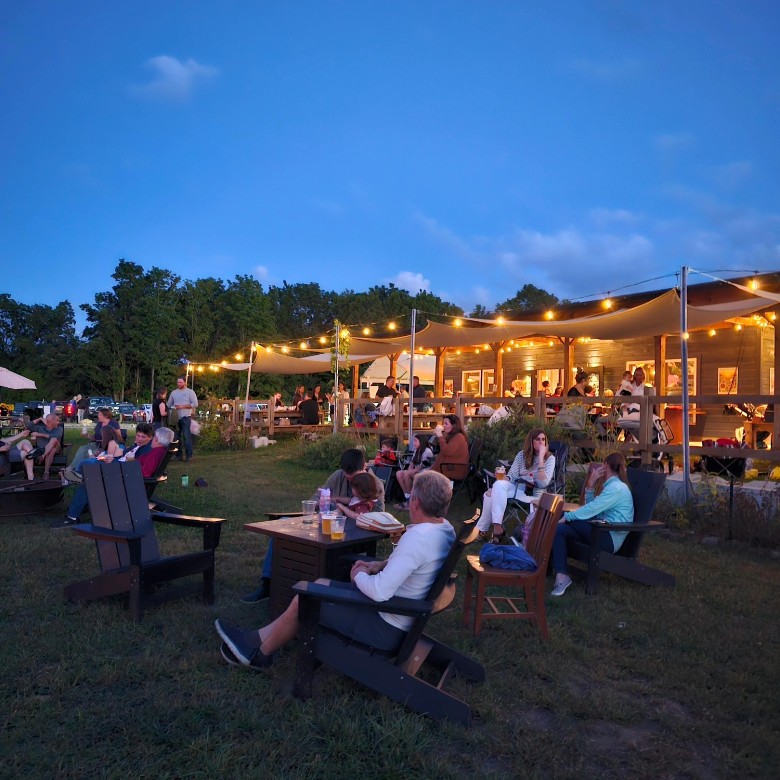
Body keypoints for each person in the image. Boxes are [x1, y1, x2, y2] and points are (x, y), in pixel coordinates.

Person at [217, 470, 456, 669]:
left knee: (306, 601)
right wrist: (378, 565)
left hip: (385, 627)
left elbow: (380, 592)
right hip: (402, 617)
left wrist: (359, 574)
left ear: (415, 501)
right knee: (318, 586)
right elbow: (415, 566)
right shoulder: (444, 530)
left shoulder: (418, 538)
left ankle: (260, 655)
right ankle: (256, 639)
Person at [241, 448, 386, 603]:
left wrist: (346, 513)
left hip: (352, 534)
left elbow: (378, 516)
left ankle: (311, 587)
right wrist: (319, 502)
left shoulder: (374, 485)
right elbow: (319, 495)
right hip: (327, 524)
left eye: (353, 479)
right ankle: (269, 583)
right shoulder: (338, 476)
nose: (350, 482)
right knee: (283, 527)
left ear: (364, 466)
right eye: (347, 478)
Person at [550, 452, 634, 597]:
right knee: (559, 529)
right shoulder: (613, 487)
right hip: (599, 531)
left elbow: (591, 509)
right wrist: (590, 485)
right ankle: (562, 576)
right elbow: (593, 509)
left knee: (564, 516)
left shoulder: (617, 488)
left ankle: (531, 539)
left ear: (605, 466)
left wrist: (568, 516)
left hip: (607, 539)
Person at [59, 425, 174, 527]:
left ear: (157, 439)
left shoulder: (155, 453)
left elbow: (145, 473)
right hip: (127, 476)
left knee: (89, 483)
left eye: (153, 438)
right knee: (90, 479)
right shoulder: (158, 451)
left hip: (127, 481)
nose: (152, 440)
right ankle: (80, 481)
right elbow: (139, 465)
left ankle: (72, 515)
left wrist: (123, 466)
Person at [476, 428, 555, 543]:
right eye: (538, 439)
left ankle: (485, 530)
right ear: (531, 442)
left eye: (543, 439)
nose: (541, 442)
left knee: (488, 496)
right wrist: (501, 480)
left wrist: (541, 460)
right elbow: (512, 476)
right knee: (498, 484)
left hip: (536, 495)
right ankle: (497, 527)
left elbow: (543, 483)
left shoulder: (550, 458)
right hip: (519, 489)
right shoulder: (521, 455)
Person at [69, 407, 122, 472]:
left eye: (99, 415)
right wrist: (87, 435)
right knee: (82, 449)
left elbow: (118, 437)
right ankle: (71, 468)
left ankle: (82, 473)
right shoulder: (99, 424)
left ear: (105, 416)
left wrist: (104, 441)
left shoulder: (113, 423)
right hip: (96, 443)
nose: (98, 416)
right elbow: (95, 437)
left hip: (107, 447)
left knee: (92, 453)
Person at [16, 413, 62, 480]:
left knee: (54, 440)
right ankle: (46, 473)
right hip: (44, 449)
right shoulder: (39, 428)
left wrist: (39, 434)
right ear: (50, 422)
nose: (58, 422)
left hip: (56, 447)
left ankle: (42, 456)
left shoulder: (59, 428)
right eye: (57, 421)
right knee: (52, 450)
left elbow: (56, 436)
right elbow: (28, 426)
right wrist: (39, 419)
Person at [395, 434, 434, 510]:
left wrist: (409, 472)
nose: (414, 443)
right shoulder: (417, 450)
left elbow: (421, 467)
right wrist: (408, 471)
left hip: (425, 473)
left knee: (407, 474)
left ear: (421, 442)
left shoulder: (427, 451)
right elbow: (412, 464)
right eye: (413, 441)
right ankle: (408, 497)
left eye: (415, 441)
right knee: (399, 473)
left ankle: (411, 501)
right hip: (416, 471)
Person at [430, 414, 469, 481]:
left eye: (446, 424)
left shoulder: (459, 437)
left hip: (454, 470)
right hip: (447, 467)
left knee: (421, 477)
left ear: (454, 426)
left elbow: (447, 452)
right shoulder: (452, 436)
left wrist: (440, 435)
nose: (443, 426)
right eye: (443, 423)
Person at [168, 376, 198, 462]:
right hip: (176, 418)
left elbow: (195, 404)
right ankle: (178, 455)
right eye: (178, 382)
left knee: (186, 436)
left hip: (186, 417)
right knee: (176, 437)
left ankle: (189, 455)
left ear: (185, 382)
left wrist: (183, 406)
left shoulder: (190, 392)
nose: (179, 384)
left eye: (181, 382)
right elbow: (169, 404)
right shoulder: (174, 393)